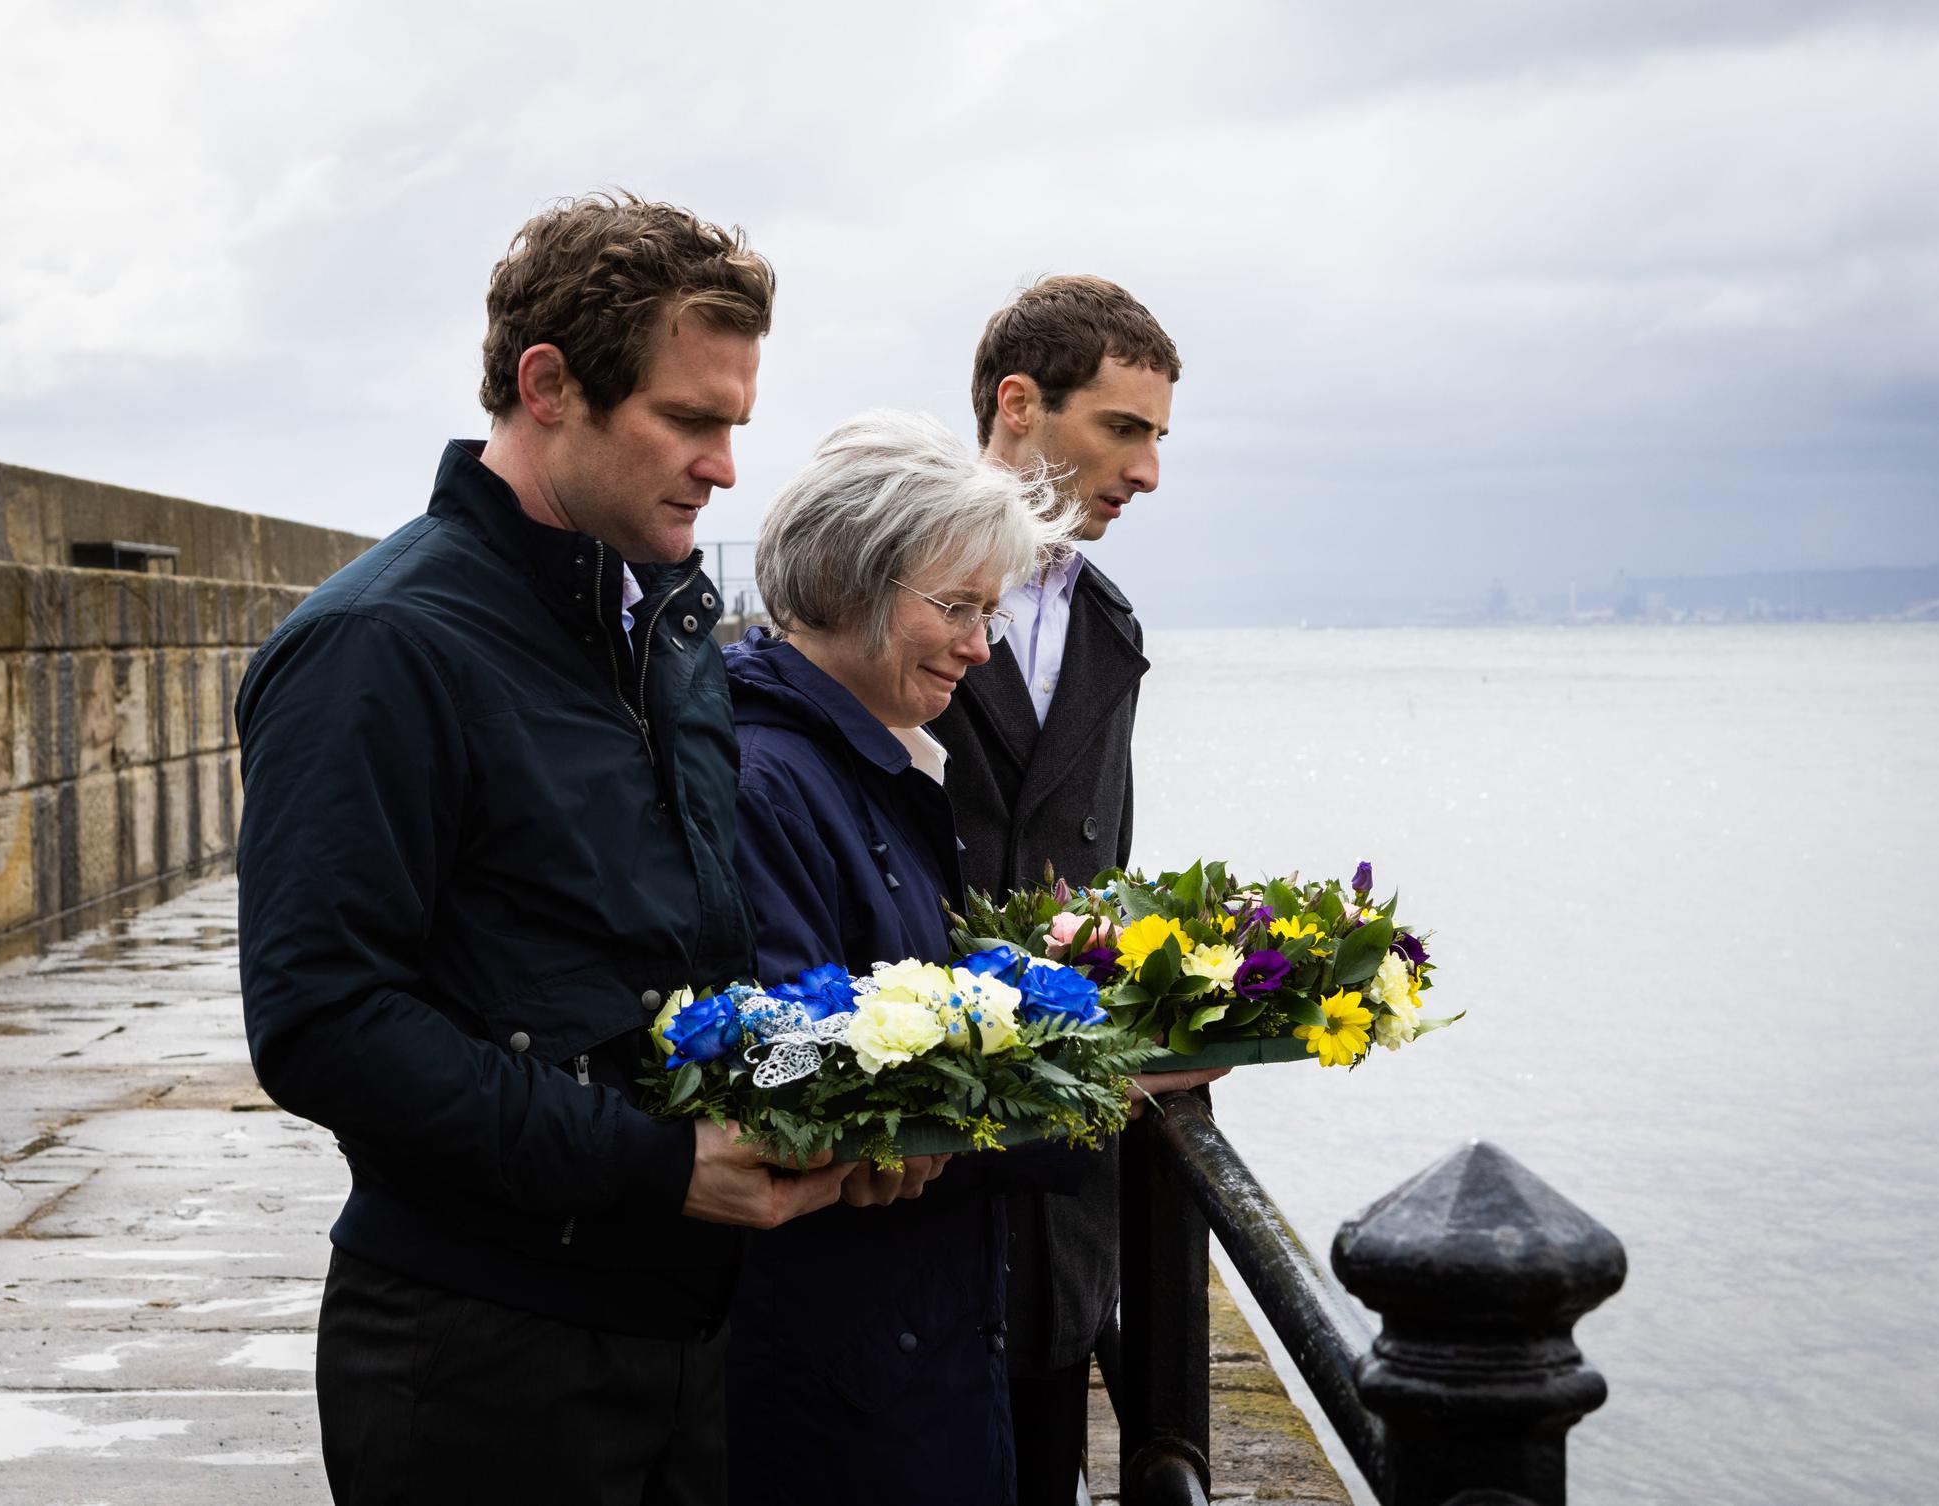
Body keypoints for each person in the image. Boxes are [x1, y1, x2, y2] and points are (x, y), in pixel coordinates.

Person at [234, 193, 849, 1506]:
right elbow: (321, 1019)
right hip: (480, 1352)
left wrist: (841, 1098)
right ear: (549, 384)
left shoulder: (666, 623)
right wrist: (660, 1167)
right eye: (690, 420)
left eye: (735, 422)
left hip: (683, 1328)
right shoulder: (377, 645)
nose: (727, 465)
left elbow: (687, 959)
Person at [721, 411, 1081, 1506]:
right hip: (844, 1364)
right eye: (958, 608)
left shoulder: (871, 767)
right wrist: (1086, 1095)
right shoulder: (766, 784)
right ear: (847, 584)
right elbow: (793, 1079)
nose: (981, 647)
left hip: (908, 1340)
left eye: (992, 610)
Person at [929, 275, 1213, 1504]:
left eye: (1155, 436)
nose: (1145, 472)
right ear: (1018, 405)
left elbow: (1099, 888)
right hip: (912, 1160)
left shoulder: (1109, 629)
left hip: (1058, 1179)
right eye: (1122, 428)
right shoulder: (872, 595)